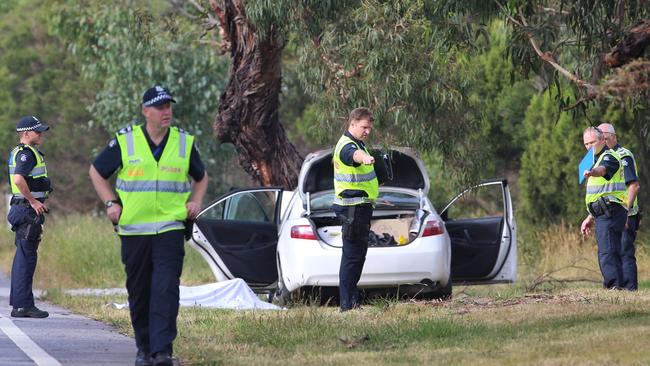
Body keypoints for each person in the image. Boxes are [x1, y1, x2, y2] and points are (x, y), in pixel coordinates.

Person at [89, 85, 208, 366]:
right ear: (146, 111)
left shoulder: (183, 143)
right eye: (159, 107)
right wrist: (110, 203)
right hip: (134, 231)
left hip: (170, 229)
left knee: (166, 289)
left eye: (168, 106)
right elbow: (96, 171)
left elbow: (201, 177)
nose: (166, 112)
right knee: (140, 291)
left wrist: (196, 202)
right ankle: (144, 349)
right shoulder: (126, 141)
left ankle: (162, 351)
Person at [332, 107, 378, 311]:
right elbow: (353, 155)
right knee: (352, 256)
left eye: (369, 128)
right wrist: (364, 158)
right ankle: (346, 305)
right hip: (352, 209)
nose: (367, 131)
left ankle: (352, 301)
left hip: (360, 207)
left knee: (357, 255)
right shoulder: (347, 146)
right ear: (352, 124)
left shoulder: (359, 144)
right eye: (364, 127)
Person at [6, 116, 51, 318]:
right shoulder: (26, 154)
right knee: (27, 257)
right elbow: (18, 178)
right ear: (26, 134)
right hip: (26, 209)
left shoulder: (20, 152)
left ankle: (20, 304)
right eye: (37, 131)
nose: (41, 134)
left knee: (23, 256)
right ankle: (23, 306)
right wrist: (33, 201)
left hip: (21, 207)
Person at [580, 126, 628, 289]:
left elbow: (603, 171)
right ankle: (616, 286)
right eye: (586, 144)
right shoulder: (596, 158)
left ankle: (614, 287)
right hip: (602, 212)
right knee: (608, 250)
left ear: (602, 140)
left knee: (608, 251)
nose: (589, 146)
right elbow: (598, 192)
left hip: (611, 211)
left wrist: (592, 172)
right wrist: (589, 217)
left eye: (592, 142)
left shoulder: (609, 156)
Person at [598, 122, 641, 291]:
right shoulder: (604, 159)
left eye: (605, 138)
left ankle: (630, 290)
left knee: (624, 251)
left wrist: (625, 211)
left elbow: (634, 186)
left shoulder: (623, 155)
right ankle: (618, 290)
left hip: (625, 213)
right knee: (612, 251)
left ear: (614, 137)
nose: (603, 142)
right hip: (611, 213)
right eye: (600, 139)